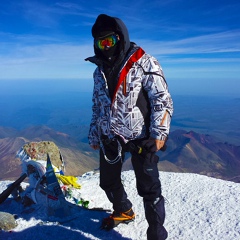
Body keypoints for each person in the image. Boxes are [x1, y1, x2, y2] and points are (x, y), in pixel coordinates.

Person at [85, 14, 173, 240]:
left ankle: (156, 235)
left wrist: (159, 133)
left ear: (120, 38)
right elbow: (98, 105)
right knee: (108, 181)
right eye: (100, 42)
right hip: (110, 135)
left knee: (149, 189)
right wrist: (95, 133)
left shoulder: (144, 62)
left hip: (140, 136)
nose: (105, 47)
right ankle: (123, 210)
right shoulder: (99, 71)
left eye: (109, 41)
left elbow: (161, 99)